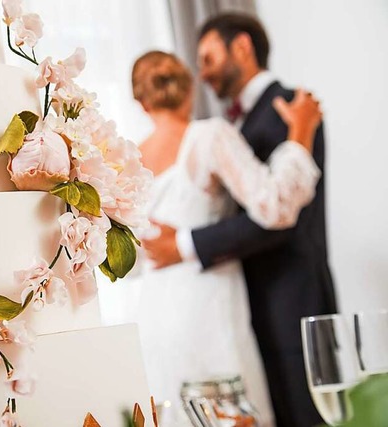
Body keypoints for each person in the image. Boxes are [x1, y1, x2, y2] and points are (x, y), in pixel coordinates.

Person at [142, 14, 338, 427]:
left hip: (290, 298)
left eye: (208, 57)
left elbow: (285, 217)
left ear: (243, 48)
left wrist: (185, 244)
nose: (203, 71)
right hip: (232, 302)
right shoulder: (225, 128)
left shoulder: (294, 108)